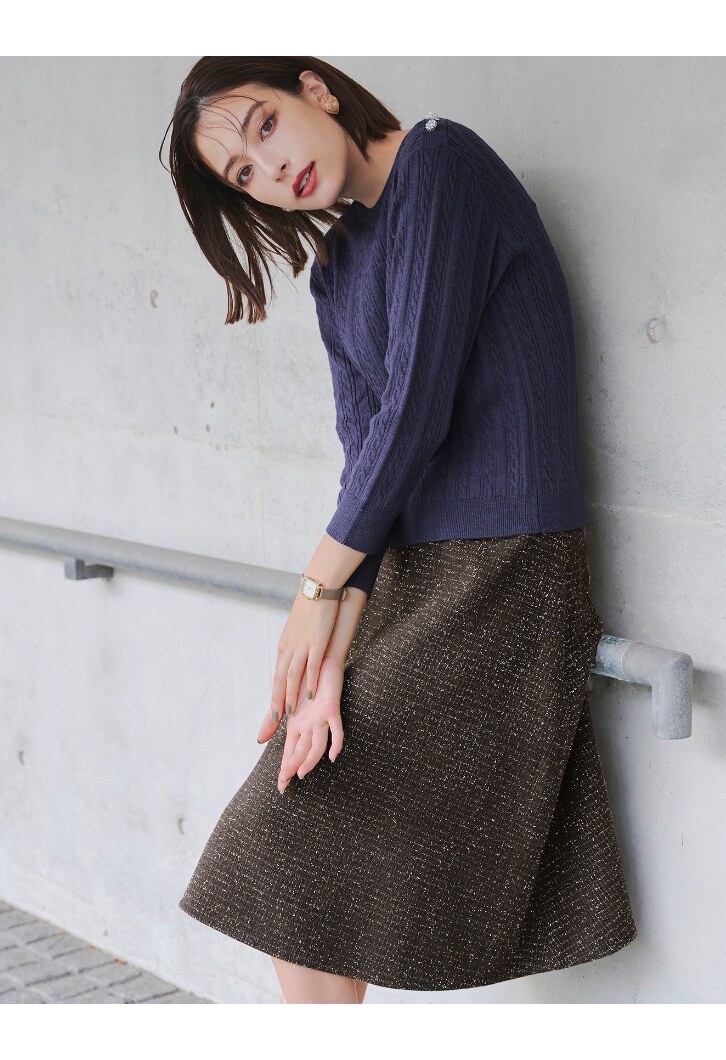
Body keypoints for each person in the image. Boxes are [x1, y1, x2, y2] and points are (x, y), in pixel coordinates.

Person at [162, 56, 638, 1004]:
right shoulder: (335, 269)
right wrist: (329, 664)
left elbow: (415, 413)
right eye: (245, 175)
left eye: (265, 126)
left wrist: (315, 590)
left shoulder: (441, 163)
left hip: (511, 570)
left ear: (316, 89)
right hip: (416, 585)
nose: (272, 169)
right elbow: (367, 469)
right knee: (288, 851)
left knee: (291, 851)